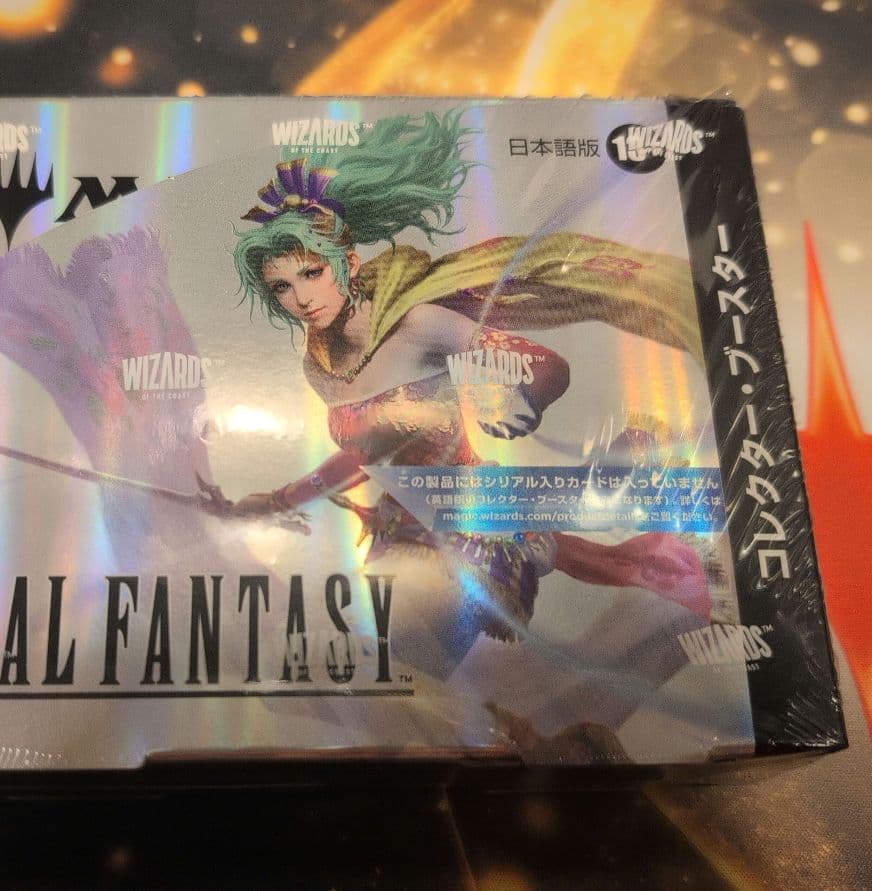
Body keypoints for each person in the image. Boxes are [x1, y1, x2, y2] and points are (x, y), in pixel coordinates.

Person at [220, 111, 713, 677]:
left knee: (378, 671)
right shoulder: (318, 364)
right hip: (397, 537)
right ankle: (658, 573)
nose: (302, 298)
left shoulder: (418, 325)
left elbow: (546, 367)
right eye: (282, 287)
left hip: (471, 537)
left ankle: (659, 573)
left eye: (311, 274)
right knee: (382, 687)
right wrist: (280, 500)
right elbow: (366, 455)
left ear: (346, 264)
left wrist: (519, 402)